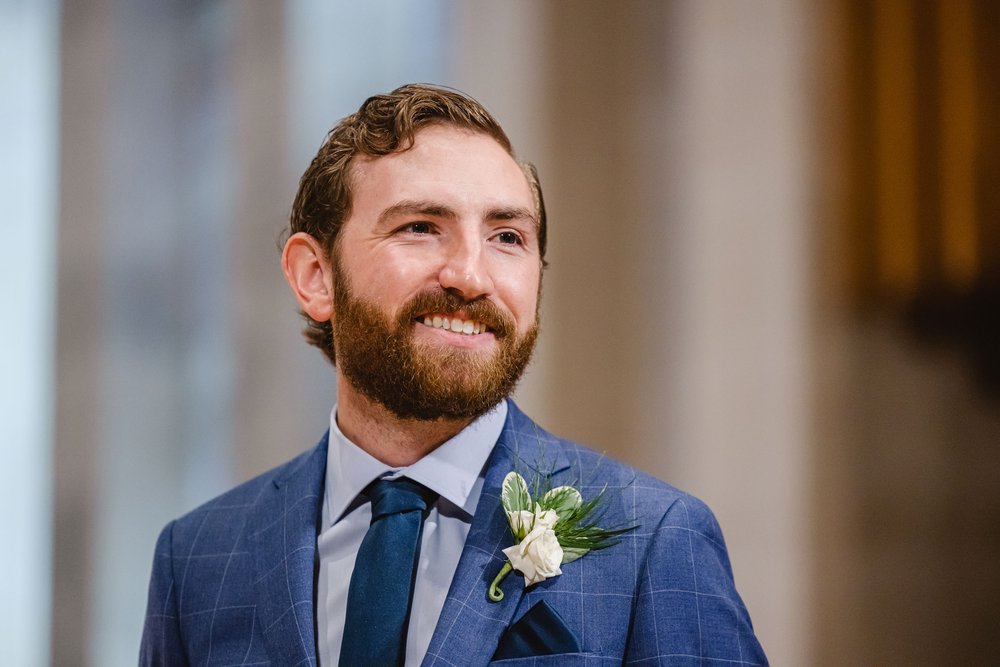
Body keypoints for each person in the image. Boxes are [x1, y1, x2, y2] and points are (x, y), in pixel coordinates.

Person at [140, 83, 767, 666]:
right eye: (421, 228)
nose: (470, 275)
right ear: (316, 276)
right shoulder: (197, 557)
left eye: (507, 237)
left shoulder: (656, 541)